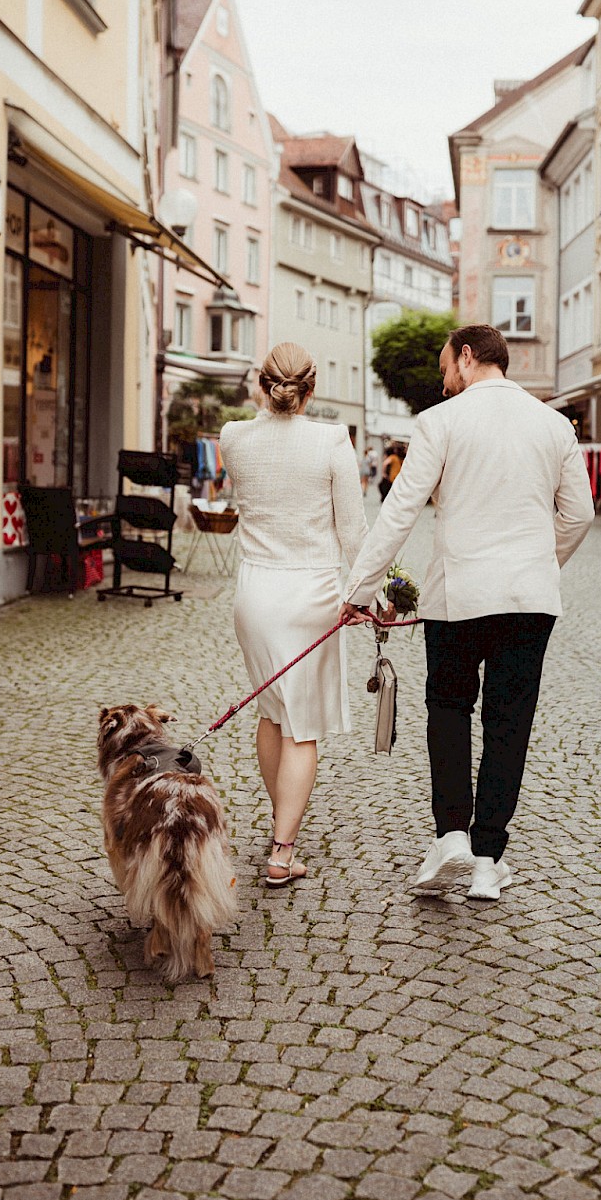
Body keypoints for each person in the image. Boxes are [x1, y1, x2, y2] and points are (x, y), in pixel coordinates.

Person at [339, 324, 594, 900]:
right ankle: (487, 861)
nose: (443, 377)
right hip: (530, 600)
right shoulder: (554, 425)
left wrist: (359, 591)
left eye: (445, 365)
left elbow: (400, 511)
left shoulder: (440, 422)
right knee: (510, 723)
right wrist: (539, 564)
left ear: (468, 357)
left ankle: (452, 833)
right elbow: (579, 515)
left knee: (449, 710)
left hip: (457, 597)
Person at [221, 343, 368, 885]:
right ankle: (282, 854)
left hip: (255, 593)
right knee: (302, 728)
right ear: (312, 389)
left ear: (263, 386)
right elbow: (352, 531)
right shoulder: (332, 440)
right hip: (311, 594)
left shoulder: (233, 438)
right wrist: (373, 592)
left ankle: (282, 822)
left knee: (271, 712)